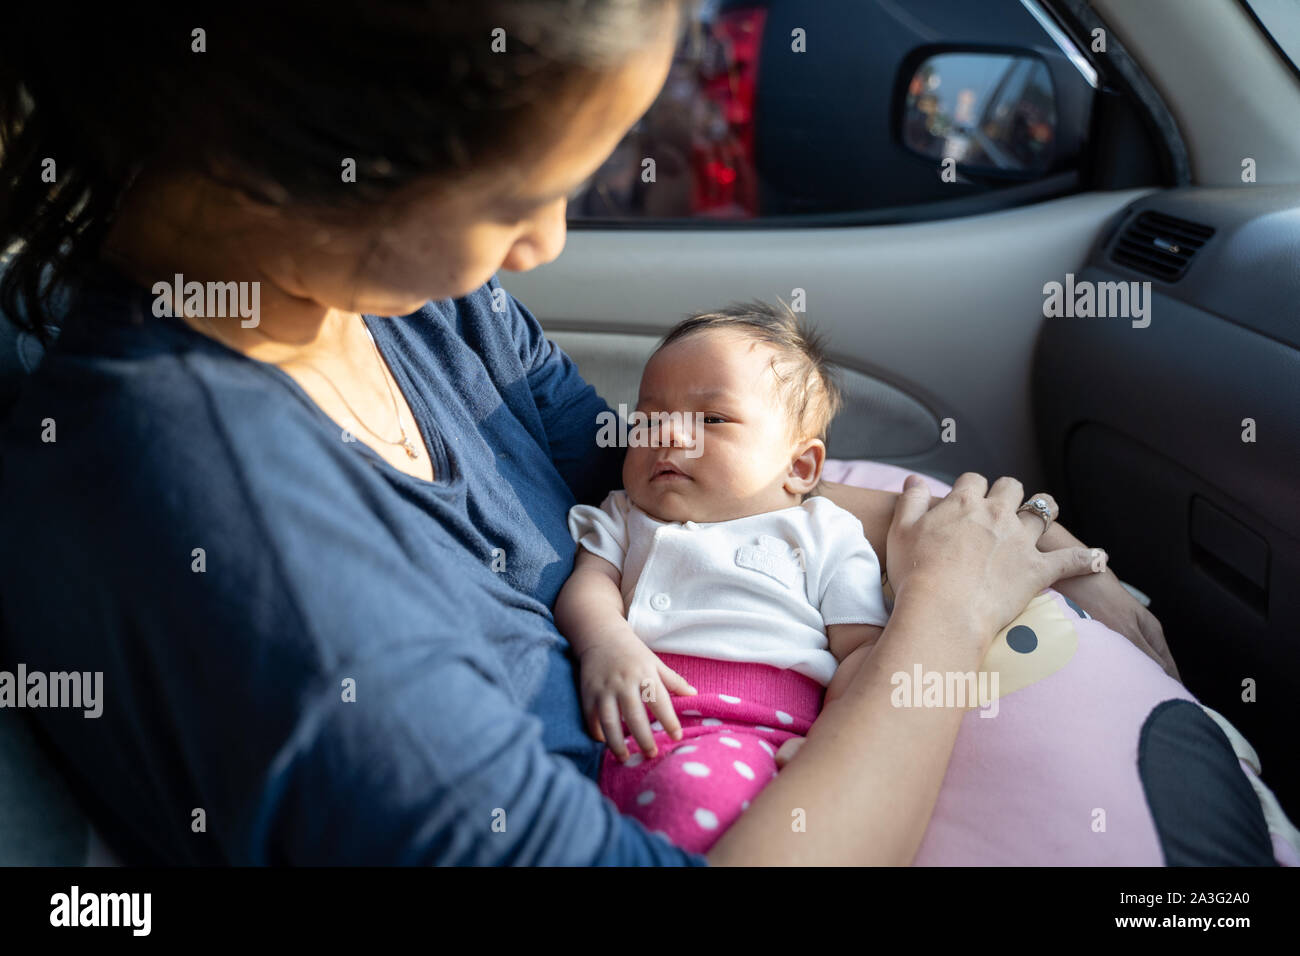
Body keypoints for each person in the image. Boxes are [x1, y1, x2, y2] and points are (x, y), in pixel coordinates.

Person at [0, 0, 1169, 866]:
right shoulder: (259, 562)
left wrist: (999, 544)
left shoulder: (397, 298)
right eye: (518, 197)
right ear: (315, 156)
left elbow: (653, 471)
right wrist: (941, 627)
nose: (545, 245)